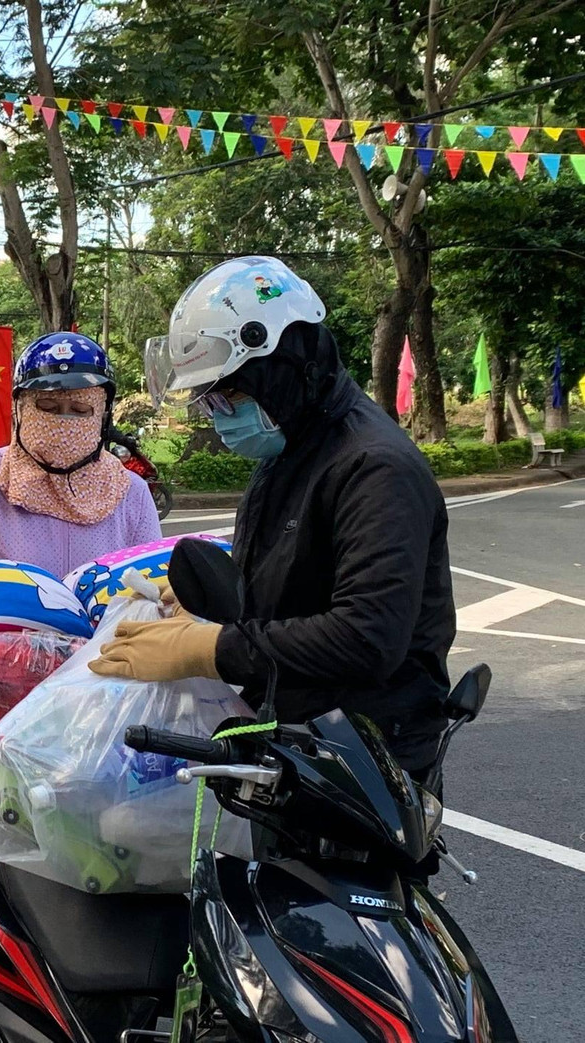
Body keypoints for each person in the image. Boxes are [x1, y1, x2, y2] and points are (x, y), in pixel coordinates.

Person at [89, 256, 454, 780]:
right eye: (208, 399)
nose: (218, 412)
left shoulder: (374, 468)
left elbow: (366, 636)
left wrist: (209, 648)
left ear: (286, 364)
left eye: (229, 392)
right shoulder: (289, 449)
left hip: (366, 756)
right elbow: (295, 575)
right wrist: (211, 604)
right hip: (293, 738)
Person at [0, 332, 162, 583]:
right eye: (48, 408)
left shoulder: (132, 493)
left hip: (105, 622)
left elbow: (158, 582)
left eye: (80, 410)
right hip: (7, 620)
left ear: (103, 416)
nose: (63, 423)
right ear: (20, 409)